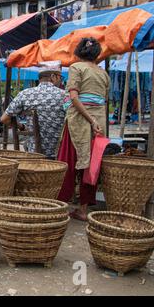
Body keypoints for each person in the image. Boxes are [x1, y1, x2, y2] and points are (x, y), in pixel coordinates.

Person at [57, 38, 110, 222]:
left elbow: (74, 97)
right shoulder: (103, 74)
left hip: (79, 121)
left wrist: (89, 118)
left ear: (79, 52)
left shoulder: (76, 68)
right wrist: (95, 121)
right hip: (99, 124)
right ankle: (83, 209)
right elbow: (103, 100)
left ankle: (60, 207)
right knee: (91, 166)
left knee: (68, 163)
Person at [1, 61, 66, 159]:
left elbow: (4, 119)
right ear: (53, 77)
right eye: (60, 78)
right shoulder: (65, 95)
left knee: (26, 144)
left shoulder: (24, 94)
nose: (60, 81)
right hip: (59, 153)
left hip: (34, 154)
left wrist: (22, 126)